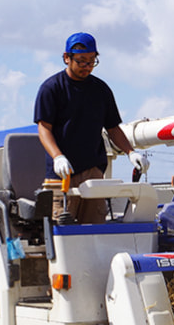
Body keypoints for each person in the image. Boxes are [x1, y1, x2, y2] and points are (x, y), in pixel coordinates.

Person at [34, 32, 149, 223]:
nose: (87, 67)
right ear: (66, 58)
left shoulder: (101, 90)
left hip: (93, 171)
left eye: (91, 61)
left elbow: (113, 128)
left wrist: (130, 152)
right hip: (62, 173)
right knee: (63, 228)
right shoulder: (52, 88)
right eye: (81, 61)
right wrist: (58, 156)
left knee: (95, 227)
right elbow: (44, 128)